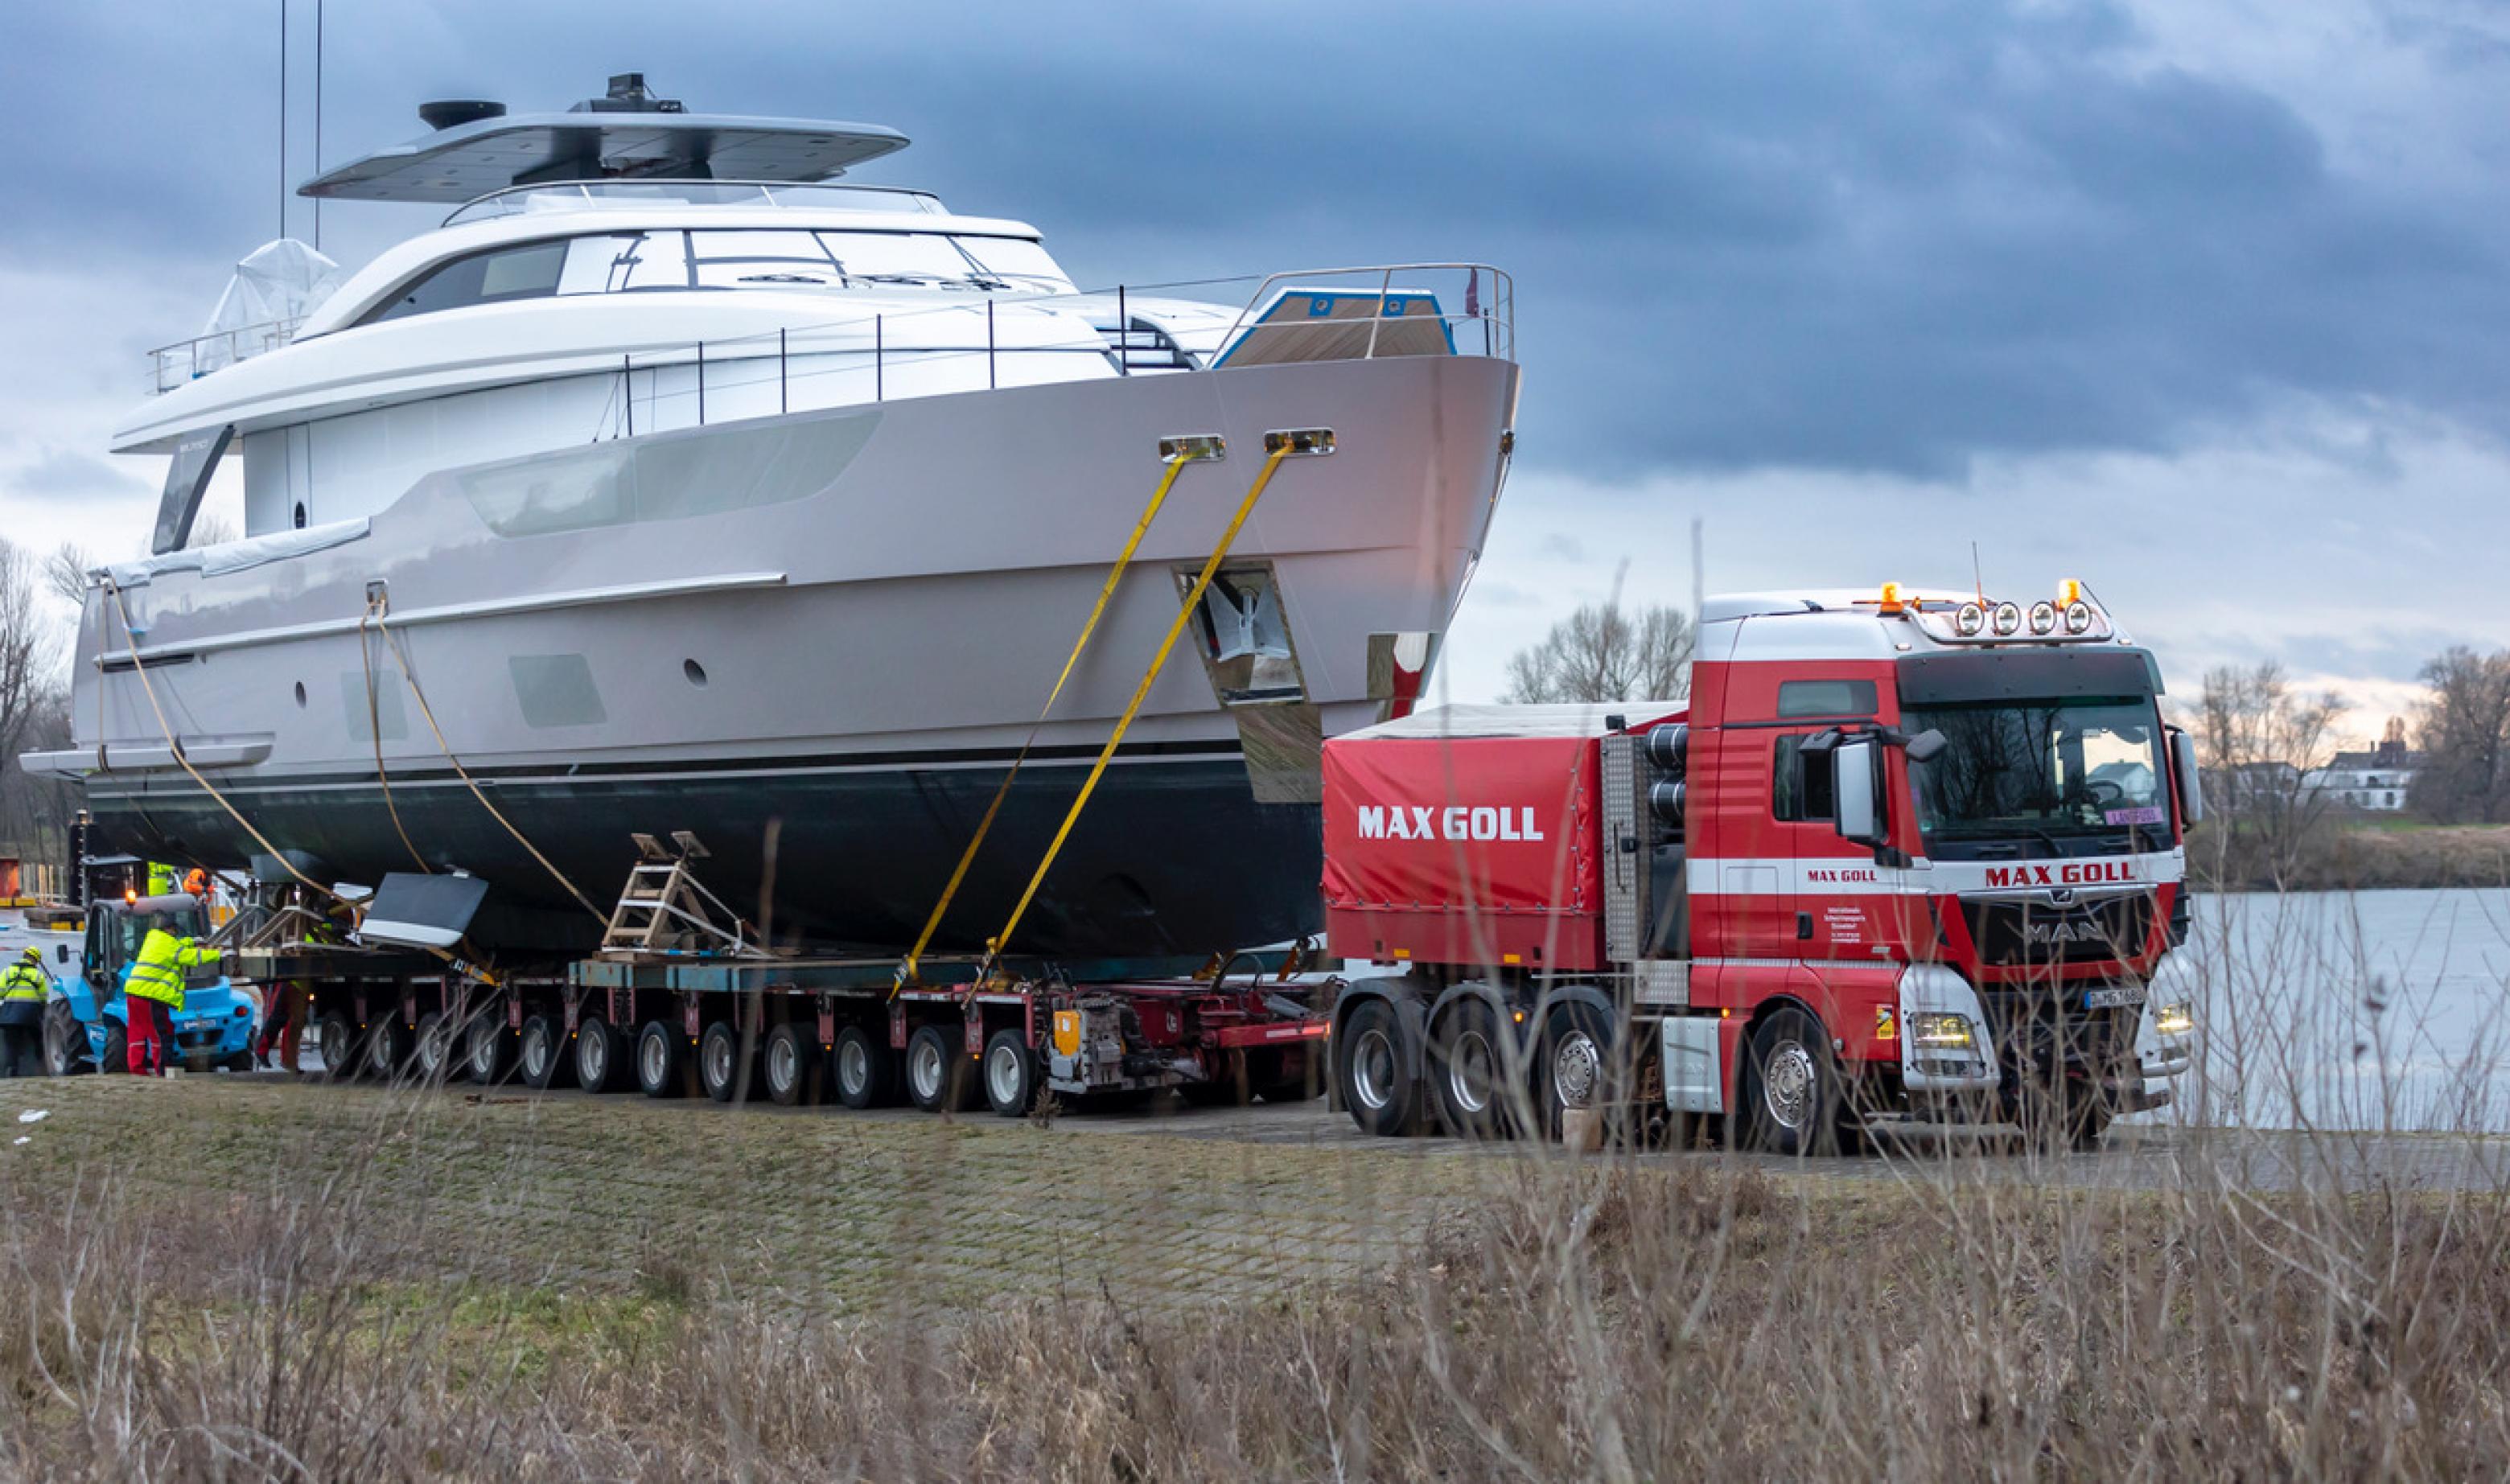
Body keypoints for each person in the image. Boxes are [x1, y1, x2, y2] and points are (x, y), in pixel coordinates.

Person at [124, 913, 215, 1077]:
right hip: (151, 996)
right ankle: (164, 1070)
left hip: (133, 993)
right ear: (169, 929)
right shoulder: (168, 944)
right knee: (162, 1034)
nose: (175, 934)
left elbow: (177, 946)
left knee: (136, 1034)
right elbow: (191, 957)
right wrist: (218, 954)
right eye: (174, 931)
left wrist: (192, 941)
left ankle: (137, 1070)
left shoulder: (153, 939)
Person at [0, 946, 47, 1078]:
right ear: (36, 960)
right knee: (38, 1036)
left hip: (10, 1016)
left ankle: (12, 1070)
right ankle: (40, 1061)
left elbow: (1, 992)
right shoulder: (38, 975)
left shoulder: (8, 972)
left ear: (24, 956)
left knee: (11, 1043)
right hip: (31, 1015)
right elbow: (43, 997)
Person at [255, 977, 308, 1074]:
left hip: (297, 983)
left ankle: (264, 1051)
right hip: (292, 983)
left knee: (289, 1020)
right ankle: (263, 1051)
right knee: (281, 1019)